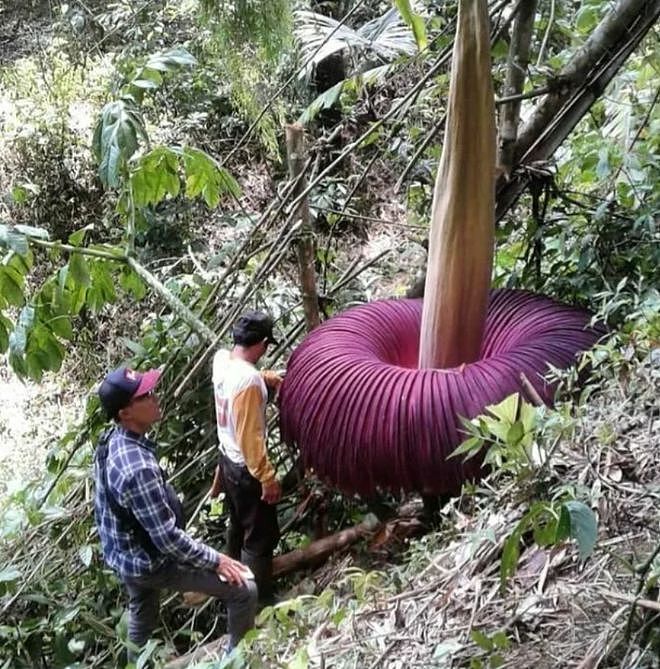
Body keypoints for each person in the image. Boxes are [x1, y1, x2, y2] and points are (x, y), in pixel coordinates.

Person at [93, 366, 257, 662]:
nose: (155, 398)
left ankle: (134, 665)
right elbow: (167, 541)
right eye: (145, 396)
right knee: (244, 588)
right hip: (150, 561)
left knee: (142, 614)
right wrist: (217, 560)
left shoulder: (110, 442)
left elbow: (106, 508)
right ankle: (236, 662)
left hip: (126, 557)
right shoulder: (136, 469)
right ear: (125, 413)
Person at [210, 310, 283, 605]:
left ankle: (231, 590)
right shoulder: (249, 383)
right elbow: (249, 437)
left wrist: (266, 377)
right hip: (245, 468)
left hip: (227, 462)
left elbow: (236, 383)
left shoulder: (221, 360)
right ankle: (257, 602)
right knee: (260, 537)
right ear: (263, 343)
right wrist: (267, 477)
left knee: (238, 527)